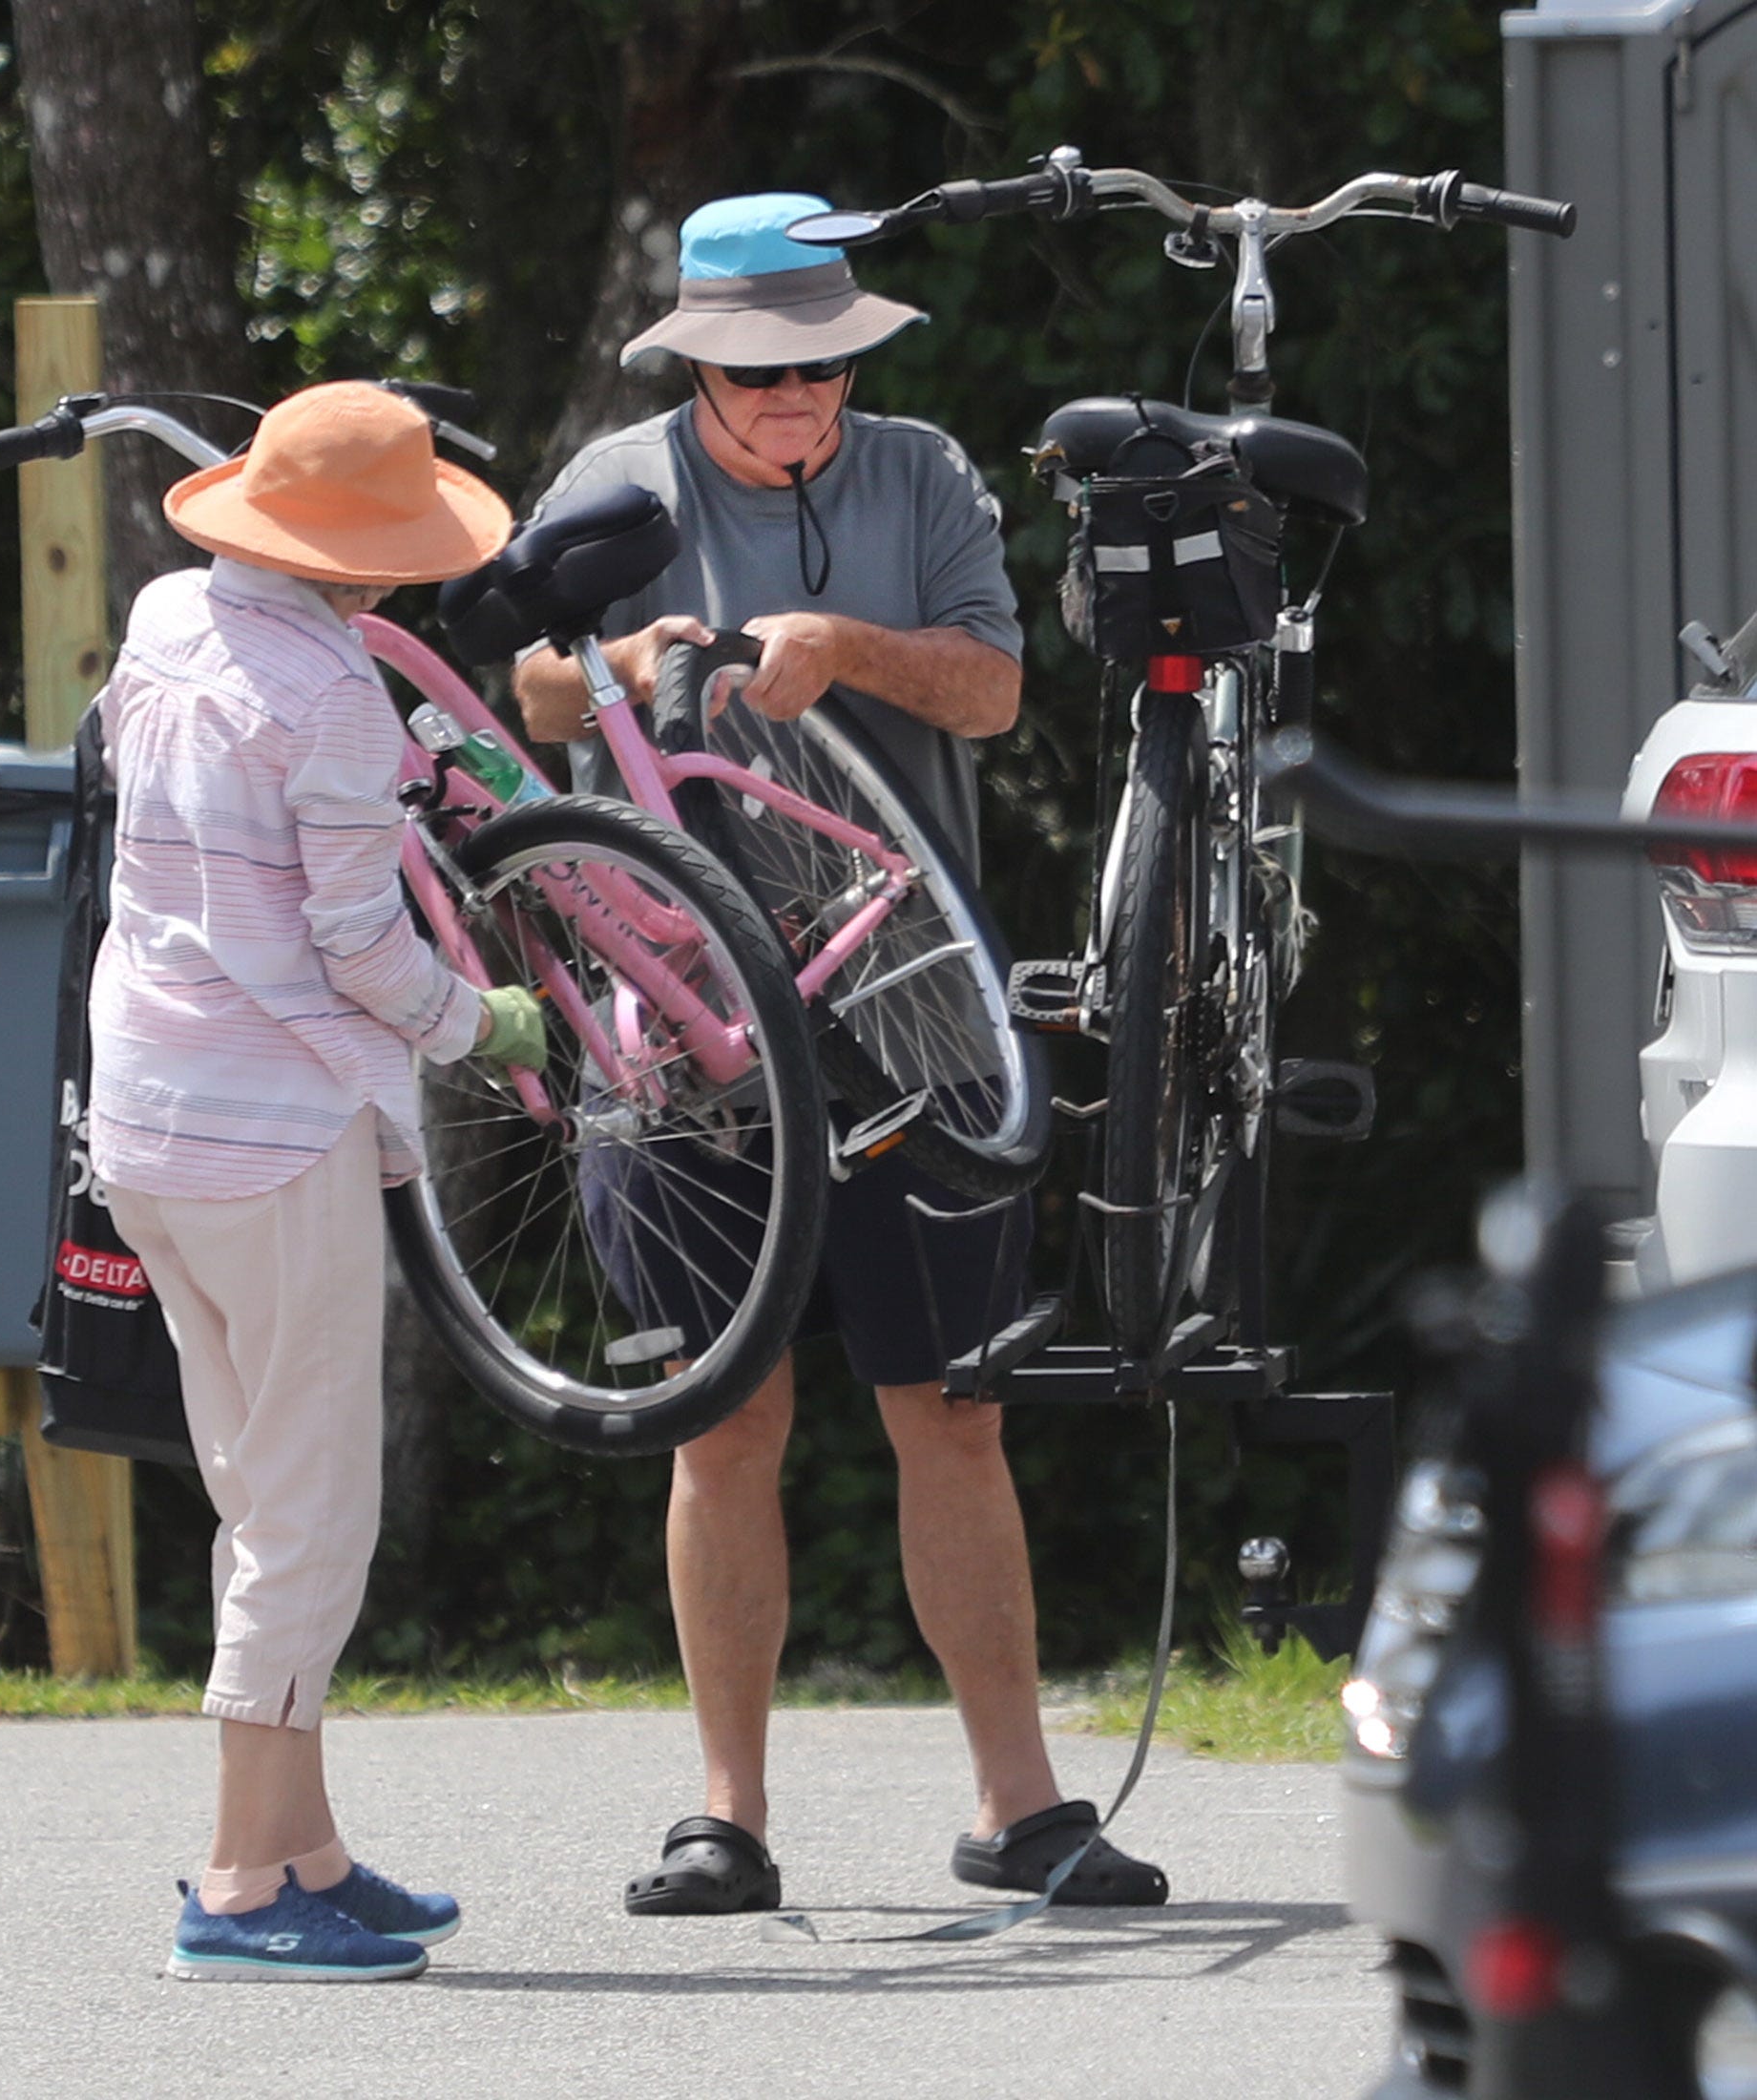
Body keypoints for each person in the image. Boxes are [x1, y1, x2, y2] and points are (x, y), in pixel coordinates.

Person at [512, 196, 1169, 1914]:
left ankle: (1023, 1810)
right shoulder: (618, 475)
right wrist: (628, 664)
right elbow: (520, 688)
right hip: (672, 1015)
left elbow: (996, 692)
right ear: (694, 370)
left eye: (825, 369)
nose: (802, 404)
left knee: (952, 1414)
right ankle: (725, 1817)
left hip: (915, 1008)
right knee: (720, 1425)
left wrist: (843, 654)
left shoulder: (928, 472)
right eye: (763, 378)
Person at [89, 380, 545, 1982]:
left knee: (254, 1493)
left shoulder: (162, 615)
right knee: (310, 1517)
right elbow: (359, 948)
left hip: (147, 1116)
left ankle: (307, 1849)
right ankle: (234, 1883)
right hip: (274, 1135)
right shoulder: (335, 696)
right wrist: (477, 1022)